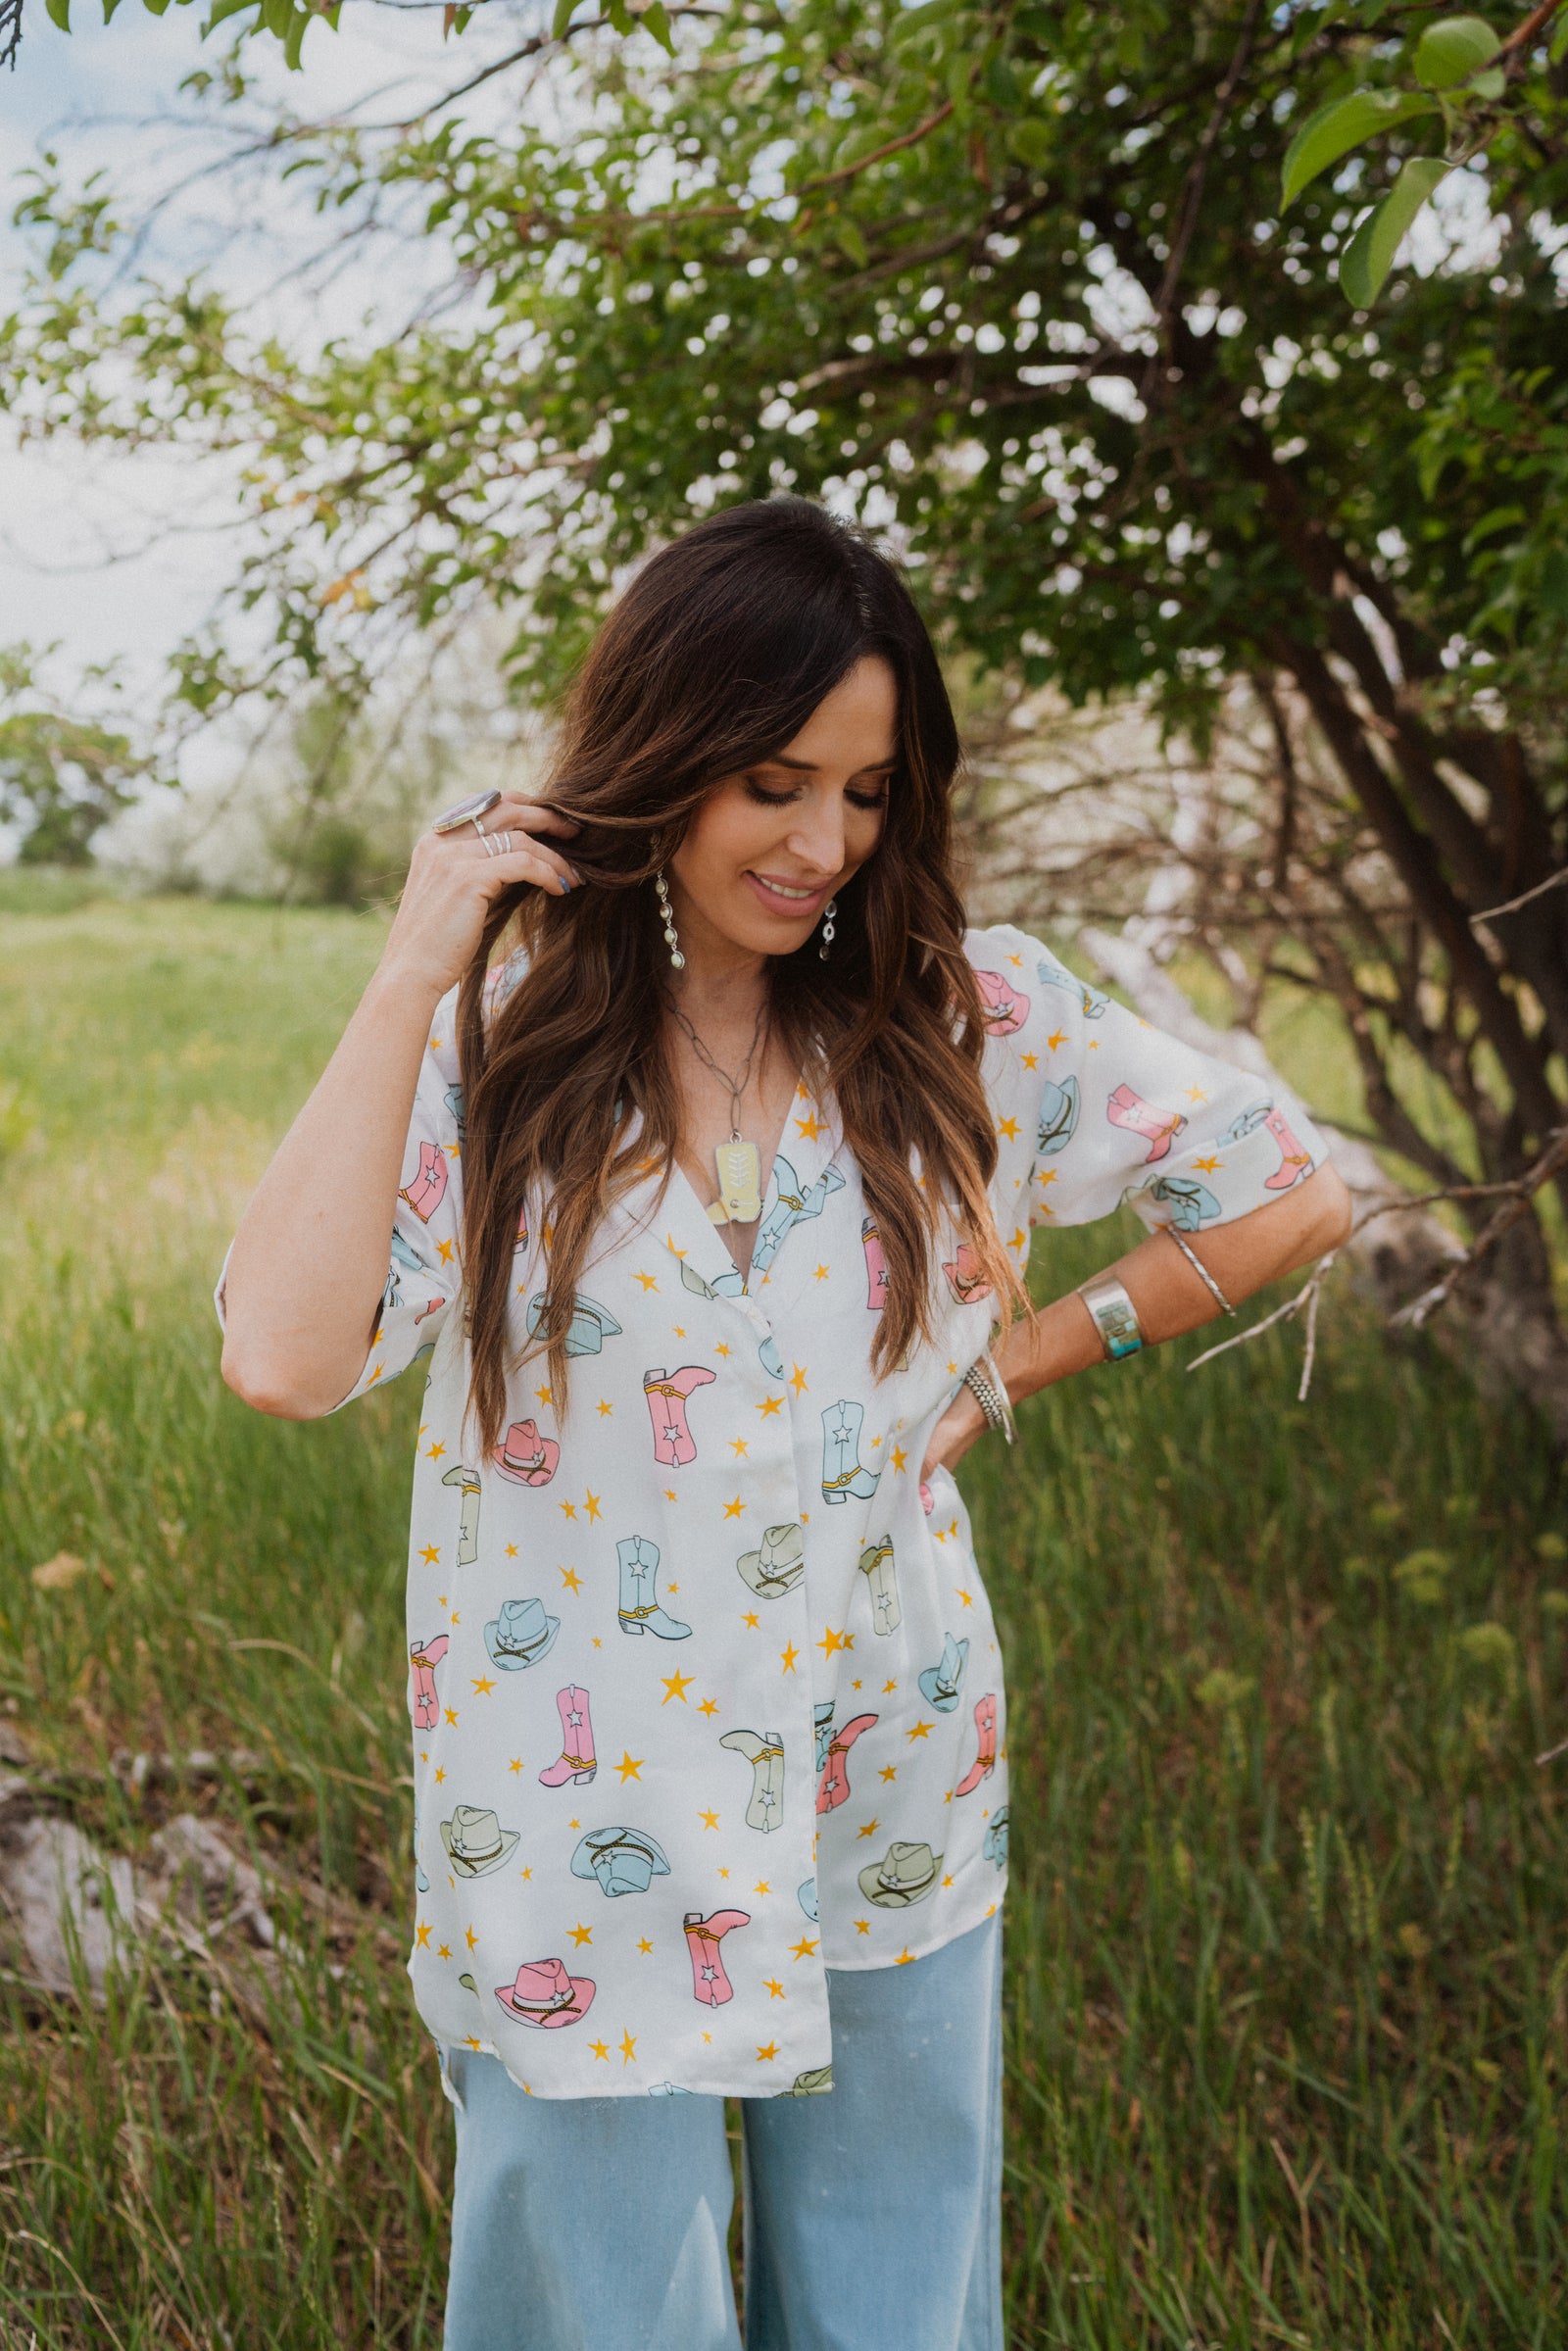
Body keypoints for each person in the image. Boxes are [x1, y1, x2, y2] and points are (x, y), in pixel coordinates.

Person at [217, 497, 1350, 2350]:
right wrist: (416, 966)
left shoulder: (965, 1018)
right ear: (665, 752)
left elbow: (1287, 1188)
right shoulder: (499, 1050)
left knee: (896, 2297)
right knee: (594, 2308)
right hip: (580, 1814)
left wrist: (1013, 1363)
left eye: (869, 792)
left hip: (889, 1767)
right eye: (775, 782)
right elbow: (282, 1355)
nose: (826, 843)